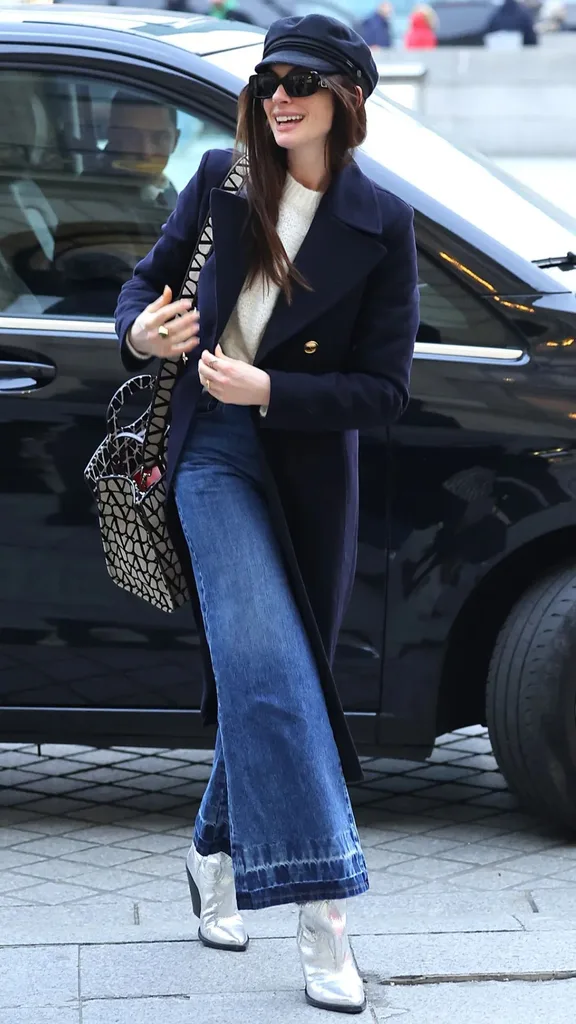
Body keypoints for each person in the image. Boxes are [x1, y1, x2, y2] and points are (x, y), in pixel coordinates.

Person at [115, 13, 418, 1015]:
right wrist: (142, 330)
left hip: (308, 477)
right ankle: (325, 912)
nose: (278, 97)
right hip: (211, 455)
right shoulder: (222, 181)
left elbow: (385, 390)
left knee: (272, 676)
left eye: (300, 82)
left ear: (347, 99)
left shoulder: (382, 225)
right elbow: (142, 285)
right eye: (267, 82)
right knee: (272, 673)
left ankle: (214, 851)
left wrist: (274, 391)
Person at [98, 89, 180, 206]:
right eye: (132, 137)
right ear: (112, 136)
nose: (146, 152)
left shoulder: (166, 191)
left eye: (159, 138)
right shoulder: (91, 197)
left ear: (175, 141)